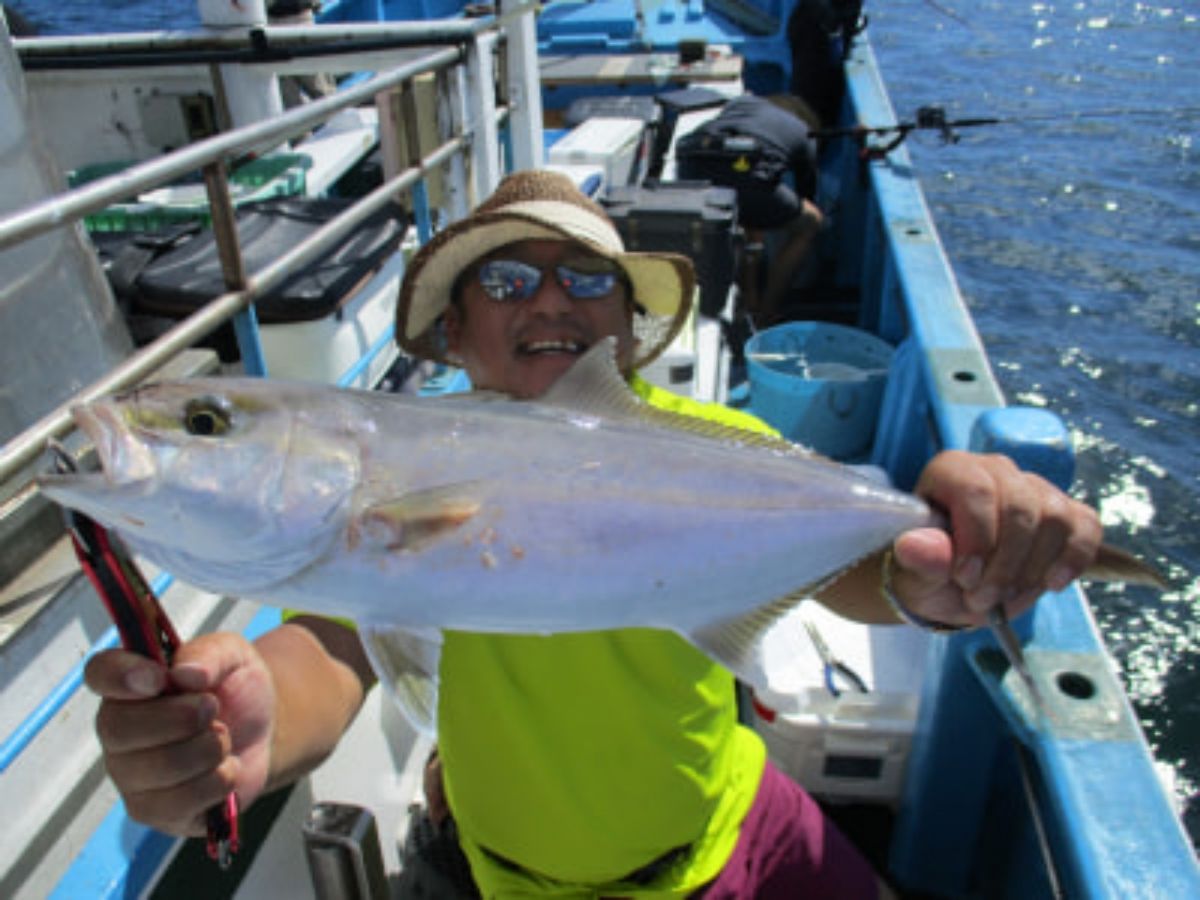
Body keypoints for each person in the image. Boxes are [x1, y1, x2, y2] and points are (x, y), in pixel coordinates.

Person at [85, 170, 1104, 898]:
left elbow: (857, 568)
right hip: (513, 881)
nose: (550, 298)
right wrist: (245, 730)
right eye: (506, 281)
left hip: (736, 825)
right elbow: (330, 647)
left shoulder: (723, 444)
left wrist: (927, 565)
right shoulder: (397, 467)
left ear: (626, 322)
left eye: (586, 279)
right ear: (453, 333)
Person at [675, 93, 826, 326]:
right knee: (809, 222)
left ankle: (750, 297)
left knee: (749, 213)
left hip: (690, 165)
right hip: (748, 174)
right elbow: (808, 192)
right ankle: (766, 311)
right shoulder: (806, 133)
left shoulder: (743, 103)